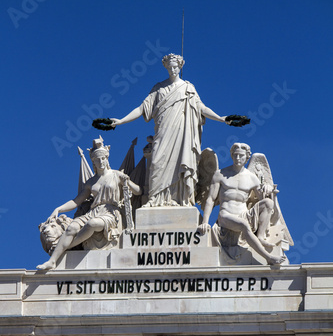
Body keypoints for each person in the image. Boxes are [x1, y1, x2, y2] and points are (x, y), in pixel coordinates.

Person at [110, 53, 231, 207]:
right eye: (169, 67)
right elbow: (142, 108)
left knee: (181, 162)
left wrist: (220, 118)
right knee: (156, 163)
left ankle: (180, 199)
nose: (173, 70)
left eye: (175, 67)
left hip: (182, 134)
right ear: (166, 67)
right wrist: (121, 121)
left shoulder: (188, 88)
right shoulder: (158, 88)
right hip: (163, 132)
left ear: (180, 66)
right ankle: (154, 199)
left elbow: (201, 108)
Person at [37, 137, 142, 270]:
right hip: (94, 212)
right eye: (98, 159)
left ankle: (67, 246)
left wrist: (128, 181)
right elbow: (76, 201)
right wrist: (58, 209)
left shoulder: (116, 175)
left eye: (103, 158)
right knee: (71, 228)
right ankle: (52, 261)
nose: (101, 161)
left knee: (92, 224)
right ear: (93, 161)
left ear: (107, 158)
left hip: (110, 213)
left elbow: (138, 191)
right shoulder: (91, 182)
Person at [197, 142, 285, 265]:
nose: (238, 158)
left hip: (243, 214)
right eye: (235, 155)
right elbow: (211, 199)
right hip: (226, 215)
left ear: (247, 157)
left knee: (268, 203)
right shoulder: (220, 174)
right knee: (243, 224)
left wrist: (268, 188)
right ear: (232, 155)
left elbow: (262, 201)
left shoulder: (252, 177)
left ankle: (260, 237)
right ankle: (268, 257)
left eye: (241, 156)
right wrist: (205, 222)